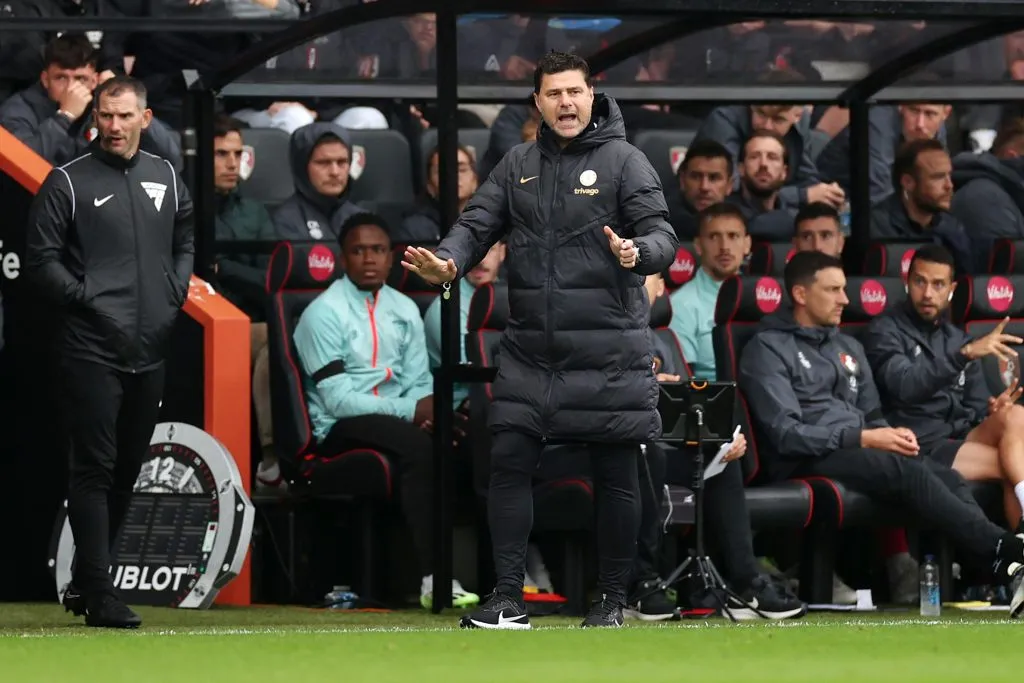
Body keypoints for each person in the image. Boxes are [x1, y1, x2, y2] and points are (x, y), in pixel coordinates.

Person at [402, 51, 678, 629]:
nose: (566, 103)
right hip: (532, 351)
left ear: (591, 95)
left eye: (574, 91)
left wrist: (639, 252)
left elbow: (662, 235)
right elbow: (475, 225)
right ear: (537, 103)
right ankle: (508, 598)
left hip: (609, 352)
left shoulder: (626, 160)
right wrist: (448, 263)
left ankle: (611, 600)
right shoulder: (517, 163)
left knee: (617, 476)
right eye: (554, 94)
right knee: (507, 465)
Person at [739, 251, 1024, 617]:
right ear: (800, 294)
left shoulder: (847, 346)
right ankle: (1004, 548)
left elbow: (872, 415)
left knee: (946, 477)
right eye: (833, 290)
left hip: (857, 448)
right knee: (903, 470)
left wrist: (891, 434)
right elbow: (785, 434)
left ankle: (1003, 567)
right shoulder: (767, 348)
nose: (845, 299)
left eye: (844, 289)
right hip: (803, 455)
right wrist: (863, 438)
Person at [24, 75, 194, 628]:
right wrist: (86, 299)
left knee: (125, 471)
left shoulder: (166, 175)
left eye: (124, 116)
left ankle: (86, 580)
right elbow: (40, 259)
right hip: (90, 347)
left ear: (146, 118)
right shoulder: (67, 181)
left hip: (151, 347)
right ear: (93, 117)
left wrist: (175, 290)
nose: (114, 126)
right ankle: (99, 591)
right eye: (105, 115)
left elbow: (186, 236)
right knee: (94, 469)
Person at [292, 212, 480, 612]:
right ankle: (434, 578)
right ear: (343, 258)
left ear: (392, 257)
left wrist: (429, 413)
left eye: (377, 250)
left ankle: (502, 577)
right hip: (339, 426)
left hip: (395, 419)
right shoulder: (322, 313)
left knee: (466, 435)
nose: (369, 259)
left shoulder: (404, 308)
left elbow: (419, 380)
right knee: (418, 445)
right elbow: (337, 400)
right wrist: (412, 411)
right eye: (358, 251)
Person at [626, 272, 806, 621]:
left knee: (721, 456)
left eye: (646, 276)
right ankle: (640, 585)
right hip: (608, 448)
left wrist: (720, 439)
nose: (636, 282)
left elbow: (682, 411)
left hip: (659, 448)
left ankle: (747, 583)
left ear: (661, 288)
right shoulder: (598, 333)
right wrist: (638, 388)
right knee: (648, 456)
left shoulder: (662, 340)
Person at [864, 244, 1024, 529]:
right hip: (921, 443)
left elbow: (976, 405)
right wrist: (962, 356)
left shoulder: (956, 337)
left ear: (951, 289)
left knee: (1015, 415)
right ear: (907, 282)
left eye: (938, 284)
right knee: (1013, 466)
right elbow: (905, 386)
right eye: (920, 282)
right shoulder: (885, 330)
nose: (928, 293)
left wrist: (991, 410)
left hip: (961, 436)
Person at [206, 115, 280, 491]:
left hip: (248, 323)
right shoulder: (183, 207)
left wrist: (225, 268)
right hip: (199, 326)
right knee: (272, 338)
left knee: (279, 337)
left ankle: (273, 457)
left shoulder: (254, 210)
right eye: (221, 154)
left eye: (237, 154)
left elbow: (270, 281)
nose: (232, 163)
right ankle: (271, 455)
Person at [668, 202, 750, 380]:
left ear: (747, 244)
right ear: (698, 245)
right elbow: (685, 382)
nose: (724, 246)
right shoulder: (681, 304)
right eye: (713, 237)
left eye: (733, 236)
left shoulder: (761, 299)